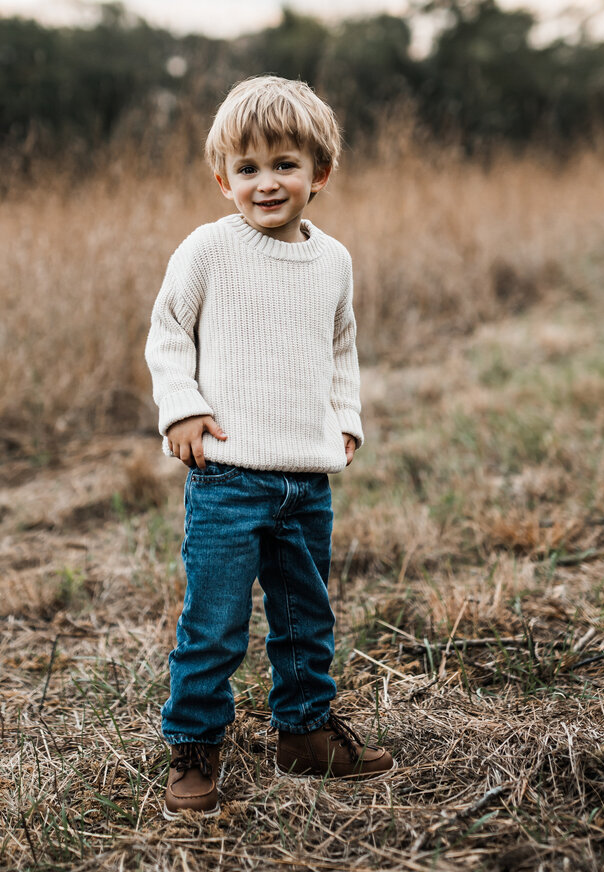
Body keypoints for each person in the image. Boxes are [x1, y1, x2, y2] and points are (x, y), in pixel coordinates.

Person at [145, 75, 393, 819]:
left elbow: (341, 345)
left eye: (285, 164)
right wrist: (181, 409)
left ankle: (305, 733)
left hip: (305, 478)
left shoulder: (334, 262)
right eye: (248, 168)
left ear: (321, 173)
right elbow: (167, 335)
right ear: (223, 180)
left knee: (304, 616)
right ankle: (194, 745)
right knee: (215, 624)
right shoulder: (209, 251)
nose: (266, 182)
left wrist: (344, 415)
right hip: (227, 477)